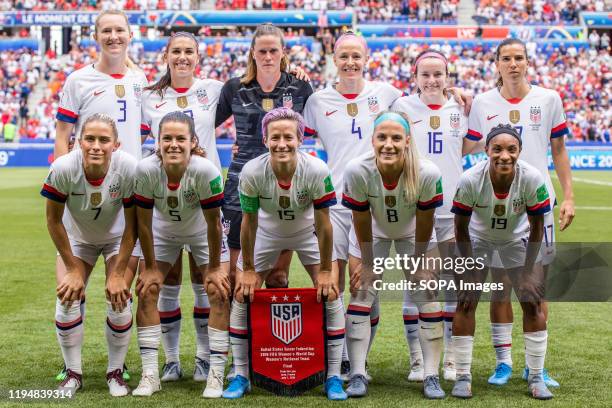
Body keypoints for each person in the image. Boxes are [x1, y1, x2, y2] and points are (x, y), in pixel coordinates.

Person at [467, 38, 574, 387]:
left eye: (519, 58)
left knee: (534, 288)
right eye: (506, 58)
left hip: (538, 206)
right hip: (497, 208)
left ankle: (535, 366)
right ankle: (504, 363)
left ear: (528, 62)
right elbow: (467, 142)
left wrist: (568, 197)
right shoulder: (483, 102)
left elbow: (558, 150)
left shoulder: (548, 98)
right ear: (496, 63)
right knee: (499, 289)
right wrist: (454, 107)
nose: (513, 64)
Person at [222, 108, 346, 401]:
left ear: (300, 139)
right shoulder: (252, 171)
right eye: (275, 137)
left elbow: (324, 224)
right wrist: (249, 268)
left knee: (331, 292)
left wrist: (327, 270)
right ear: (265, 139)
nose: (282, 143)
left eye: (288, 136)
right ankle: (241, 374)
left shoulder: (316, 169)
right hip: (266, 234)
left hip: (307, 234)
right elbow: (249, 224)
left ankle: (334, 376)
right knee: (241, 292)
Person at [303, 32, 402, 378]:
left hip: (371, 205)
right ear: (334, 58)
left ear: (366, 58)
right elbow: (295, 137)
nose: (350, 62)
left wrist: (454, 93)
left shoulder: (386, 94)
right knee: (333, 280)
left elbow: (418, 109)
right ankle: (341, 360)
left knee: (364, 284)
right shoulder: (317, 101)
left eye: (356, 56)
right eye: (343, 56)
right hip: (333, 205)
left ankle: (358, 359)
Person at [342, 111, 446, 399]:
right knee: (362, 292)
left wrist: (419, 262)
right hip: (371, 232)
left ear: (407, 141)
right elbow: (360, 219)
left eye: (396, 138)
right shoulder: (357, 169)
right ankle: (358, 373)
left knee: (426, 293)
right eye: (382, 137)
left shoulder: (427, 173)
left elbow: (425, 222)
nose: (389, 144)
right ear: (372, 139)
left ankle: (431, 374)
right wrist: (366, 262)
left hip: (414, 234)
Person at [141, 31, 225, 384]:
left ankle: (205, 358)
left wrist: (289, 71)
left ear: (197, 56)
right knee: (170, 280)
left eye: (189, 51)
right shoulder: (148, 96)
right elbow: (137, 136)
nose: (182, 57)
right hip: (167, 199)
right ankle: (172, 360)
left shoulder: (216, 88)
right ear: (166, 56)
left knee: (204, 281)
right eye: (176, 51)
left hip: (205, 195)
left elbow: (255, 84)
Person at [391, 49, 479, 382]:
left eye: (438, 74)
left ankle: (453, 361)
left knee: (454, 288)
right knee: (416, 288)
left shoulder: (460, 107)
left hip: (455, 213)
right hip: (415, 211)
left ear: (447, 76)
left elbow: (467, 147)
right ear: (415, 77)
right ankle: (418, 360)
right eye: (425, 74)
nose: (432, 80)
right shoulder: (401, 108)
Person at [450, 124, 553, 400]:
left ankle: (535, 376)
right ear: (486, 151)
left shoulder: (531, 178)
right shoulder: (471, 179)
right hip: (477, 239)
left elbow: (537, 226)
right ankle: (462, 375)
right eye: (497, 149)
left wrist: (530, 270)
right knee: (466, 300)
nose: (504, 155)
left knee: (531, 300)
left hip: (515, 240)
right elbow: (460, 228)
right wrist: (469, 268)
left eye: (511, 149)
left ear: (519, 151)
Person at [130, 112, 229, 397]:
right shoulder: (146, 169)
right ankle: (151, 374)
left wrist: (214, 268)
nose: (173, 144)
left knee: (218, 289)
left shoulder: (205, 170)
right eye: (167, 138)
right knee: (148, 288)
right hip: (163, 232)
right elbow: (144, 224)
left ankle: (215, 373)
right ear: (157, 142)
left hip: (201, 232)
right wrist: (149, 266)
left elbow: (213, 223)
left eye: (180, 139)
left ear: (193, 141)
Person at [41, 113, 138, 397]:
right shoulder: (62, 168)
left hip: (118, 240)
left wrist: (118, 272)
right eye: (90, 139)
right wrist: (72, 268)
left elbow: (133, 226)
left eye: (104, 140)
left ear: (116, 144)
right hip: (77, 240)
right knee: (67, 297)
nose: (96, 146)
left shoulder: (128, 168)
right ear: (78, 142)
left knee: (120, 299)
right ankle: (73, 372)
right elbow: (53, 221)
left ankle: (115, 372)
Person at [214, 24, 313, 296]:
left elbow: (318, 128)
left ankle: (272, 340)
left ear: (283, 53)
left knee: (278, 276)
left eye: (273, 50)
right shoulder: (235, 88)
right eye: (262, 51)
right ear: (252, 53)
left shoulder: (300, 87)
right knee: (236, 276)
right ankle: (240, 336)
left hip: (286, 186)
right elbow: (202, 124)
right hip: (239, 185)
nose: (268, 56)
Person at [54, 10, 148, 160]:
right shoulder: (77, 80)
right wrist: (61, 178)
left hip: (130, 178)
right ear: (95, 37)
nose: (113, 36)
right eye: (106, 31)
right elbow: (61, 136)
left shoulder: (139, 79)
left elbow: (142, 131)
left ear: (130, 36)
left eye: (119, 30)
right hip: (87, 178)